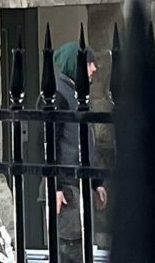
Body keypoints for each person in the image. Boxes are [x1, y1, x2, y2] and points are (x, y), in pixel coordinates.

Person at [49, 41, 105, 262]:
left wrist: (96, 181)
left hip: (77, 184)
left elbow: (86, 141)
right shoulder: (59, 96)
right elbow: (48, 145)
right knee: (70, 248)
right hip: (67, 187)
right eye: (89, 63)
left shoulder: (76, 95)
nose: (94, 68)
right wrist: (56, 186)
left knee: (80, 247)